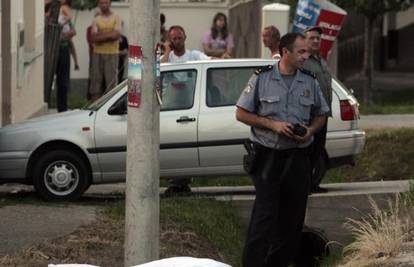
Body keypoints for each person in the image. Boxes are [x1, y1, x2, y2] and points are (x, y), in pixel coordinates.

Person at [236, 32, 329, 267]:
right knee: (264, 218)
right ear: (285, 52)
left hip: (298, 158)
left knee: (293, 220)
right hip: (268, 157)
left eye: (307, 52)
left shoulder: (309, 80)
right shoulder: (262, 78)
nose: (306, 56)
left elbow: (321, 114)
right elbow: (241, 113)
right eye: (301, 52)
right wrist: (273, 125)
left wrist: (309, 130)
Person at [303, 26, 333, 194]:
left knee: (318, 150)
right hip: (310, 115)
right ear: (304, 40)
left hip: (323, 114)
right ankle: (304, 185)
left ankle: (313, 184)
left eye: (318, 38)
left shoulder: (321, 60)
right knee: (308, 151)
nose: (315, 41)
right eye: (312, 38)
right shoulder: (303, 61)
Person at [89, 0, 121, 101]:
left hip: (112, 53)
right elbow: (93, 38)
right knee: (95, 83)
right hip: (97, 53)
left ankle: (111, 107)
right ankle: (95, 108)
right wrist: (109, 34)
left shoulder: (116, 17)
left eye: (106, 2)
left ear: (110, 3)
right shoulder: (96, 19)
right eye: (101, 3)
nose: (104, 5)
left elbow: (116, 35)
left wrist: (101, 35)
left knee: (111, 84)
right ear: (98, 4)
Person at [55, 0, 76, 112]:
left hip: (63, 48)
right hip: (52, 49)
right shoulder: (51, 9)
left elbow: (73, 31)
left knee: (63, 81)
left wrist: (64, 35)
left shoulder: (63, 9)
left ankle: (62, 107)